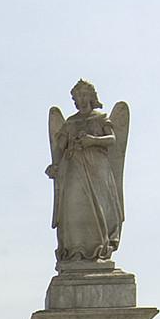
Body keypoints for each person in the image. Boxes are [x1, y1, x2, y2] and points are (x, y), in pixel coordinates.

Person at [46, 80, 130, 262]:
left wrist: (92, 140)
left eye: (84, 95)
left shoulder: (100, 118)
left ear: (92, 97)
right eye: (77, 96)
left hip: (97, 168)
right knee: (74, 207)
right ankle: (76, 250)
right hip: (73, 169)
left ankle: (98, 247)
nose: (81, 99)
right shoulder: (70, 122)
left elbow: (112, 140)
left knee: (98, 207)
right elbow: (60, 147)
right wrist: (56, 166)